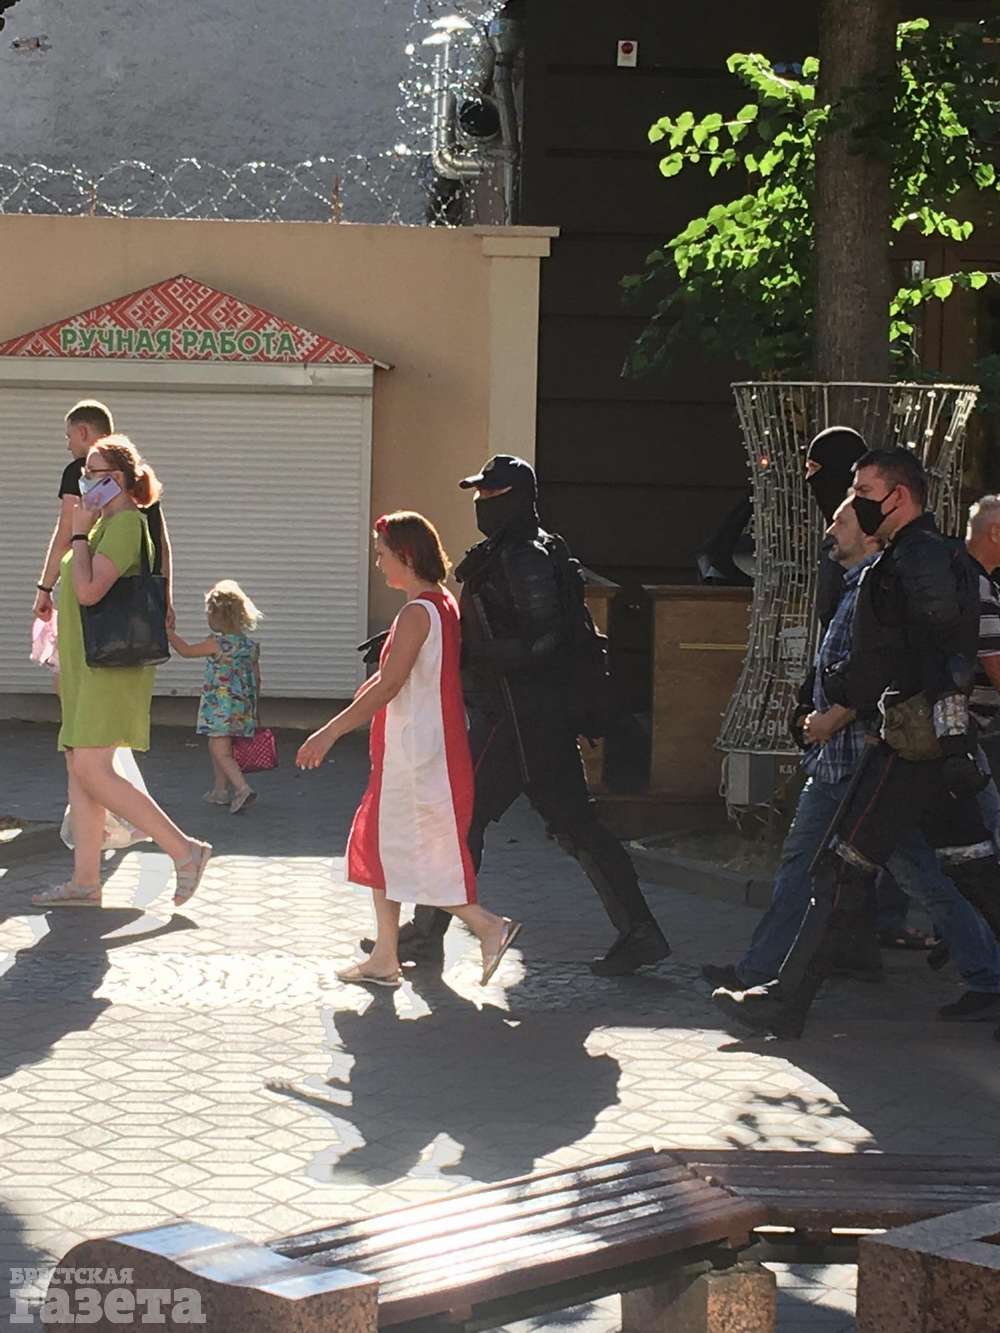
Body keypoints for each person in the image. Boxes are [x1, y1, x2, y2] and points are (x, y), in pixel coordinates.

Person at [714, 447, 992, 1037]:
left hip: (913, 741)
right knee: (966, 870)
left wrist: (848, 688)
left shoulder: (915, 559)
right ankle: (785, 1000)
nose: (854, 501)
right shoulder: (922, 557)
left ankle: (785, 1003)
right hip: (925, 739)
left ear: (899, 496)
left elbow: (927, 654)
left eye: (864, 491)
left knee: (848, 870)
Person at [362, 456, 670, 977]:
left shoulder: (526, 555)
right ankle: (639, 931)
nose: (482, 503)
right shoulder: (513, 551)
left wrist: (466, 654)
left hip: (519, 717)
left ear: (519, 497)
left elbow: (544, 641)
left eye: (492, 494)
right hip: (523, 715)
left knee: (463, 819)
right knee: (567, 825)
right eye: (479, 494)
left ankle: (430, 934)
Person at [297, 511, 522, 988]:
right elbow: (397, 676)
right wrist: (362, 698)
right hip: (421, 748)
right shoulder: (440, 604)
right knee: (390, 848)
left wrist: (329, 731)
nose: (378, 563)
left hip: (416, 752)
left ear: (406, 555)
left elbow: (391, 683)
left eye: (382, 554)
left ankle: (487, 925)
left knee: (413, 851)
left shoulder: (417, 613)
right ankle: (385, 956)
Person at [30, 435, 212, 910]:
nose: (86, 480)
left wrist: (77, 534)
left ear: (120, 479)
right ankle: (85, 881)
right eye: (85, 472)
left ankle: (184, 850)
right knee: (80, 767)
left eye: (94, 472)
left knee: (92, 768)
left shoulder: (126, 524)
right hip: (85, 666)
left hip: (109, 667)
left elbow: (89, 591)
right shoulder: (103, 524)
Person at [33, 400, 174, 629]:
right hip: (135, 611)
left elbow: (64, 537)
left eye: (69, 436)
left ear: (83, 432)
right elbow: (161, 545)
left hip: (104, 624)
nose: (68, 445)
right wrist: (164, 598)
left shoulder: (119, 516)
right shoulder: (132, 480)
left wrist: (45, 587)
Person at [168, 580, 263, 814]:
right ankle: (220, 790)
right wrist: (254, 708)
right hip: (242, 707)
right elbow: (257, 678)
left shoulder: (216, 644)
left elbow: (186, 651)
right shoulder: (250, 646)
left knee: (220, 749)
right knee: (221, 748)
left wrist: (168, 633)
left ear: (218, 616)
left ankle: (241, 788)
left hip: (220, 707)